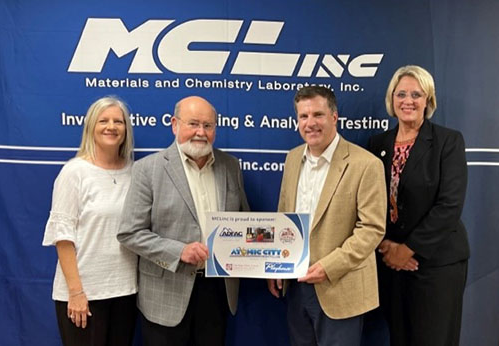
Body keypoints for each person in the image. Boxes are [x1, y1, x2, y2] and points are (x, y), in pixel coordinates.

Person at [117, 96, 249, 346]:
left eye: (208, 126)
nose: (201, 132)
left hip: (216, 291)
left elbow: (244, 222)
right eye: (193, 124)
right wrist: (179, 252)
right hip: (166, 294)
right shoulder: (148, 169)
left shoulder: (230, 166)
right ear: (175, 124)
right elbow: (130, 233)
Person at [268, 86, 387, 346]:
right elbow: (284, 214)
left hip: (340, 287)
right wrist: (275, 263)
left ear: (334, 117)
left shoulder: (366, 165)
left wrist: (328, 267)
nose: (310, 123)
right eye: (303, 116)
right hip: (296, 286)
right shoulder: (292, 158)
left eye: (318, 115)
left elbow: (372, 229)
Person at [367, 65, 469, 346]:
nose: (407, 101)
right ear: (391, 100)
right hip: (391, 263)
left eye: (416, 94)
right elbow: (367, 202)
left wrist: (408, 249)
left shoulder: (448, 141)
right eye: (401, 94)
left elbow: (449, 205)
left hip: (436, 264)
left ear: (429, 100)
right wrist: (387, 246)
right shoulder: (377, 144)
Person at [42, 96, 137, 345]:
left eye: (119, 121)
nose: (111, 126)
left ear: (126, 129)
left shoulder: (135, 172)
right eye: (103, 120)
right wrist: (76, 292)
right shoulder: (74, 172)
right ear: (91, 127)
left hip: (125, 291)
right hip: (83, 295)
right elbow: (62, 237)